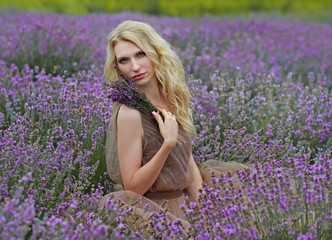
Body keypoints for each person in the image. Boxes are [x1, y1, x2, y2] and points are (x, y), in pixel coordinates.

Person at [102, 20, 249, 224]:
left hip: (185, 206)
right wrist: (167, 144)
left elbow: (187, 162)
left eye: (140, 54)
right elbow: (133, 189)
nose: (134, 67)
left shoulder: (171, 98)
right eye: (124, 60)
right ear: (117, 67)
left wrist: (207, 214)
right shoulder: (130, 114)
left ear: (155, 52)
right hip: (155, 215)